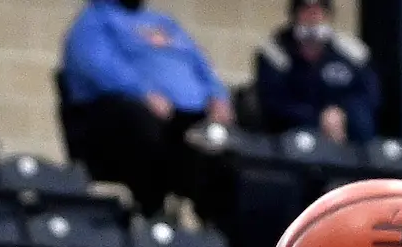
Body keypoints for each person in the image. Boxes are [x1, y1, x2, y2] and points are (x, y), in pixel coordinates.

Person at [59, 0, 237, 227]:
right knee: (141, 125)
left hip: (189, 119)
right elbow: (96, 66)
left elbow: (199, 62)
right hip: (126, 118)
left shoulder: (163, 22)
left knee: (227, 150)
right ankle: (152, 213)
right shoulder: (94, 21)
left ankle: (219, 232)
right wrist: (142, 92)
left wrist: (218, 95)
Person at [251, 0, 379, 142]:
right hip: (295, 134)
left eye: (319, 10)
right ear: (295, 15)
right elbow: (274, 103)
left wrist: (341, 114)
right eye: (306, 10)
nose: (313, 17)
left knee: (362, 121)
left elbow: (370, 95)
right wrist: (319, 117)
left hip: (347, 131)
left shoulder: (352, 53)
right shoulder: (274, 53)